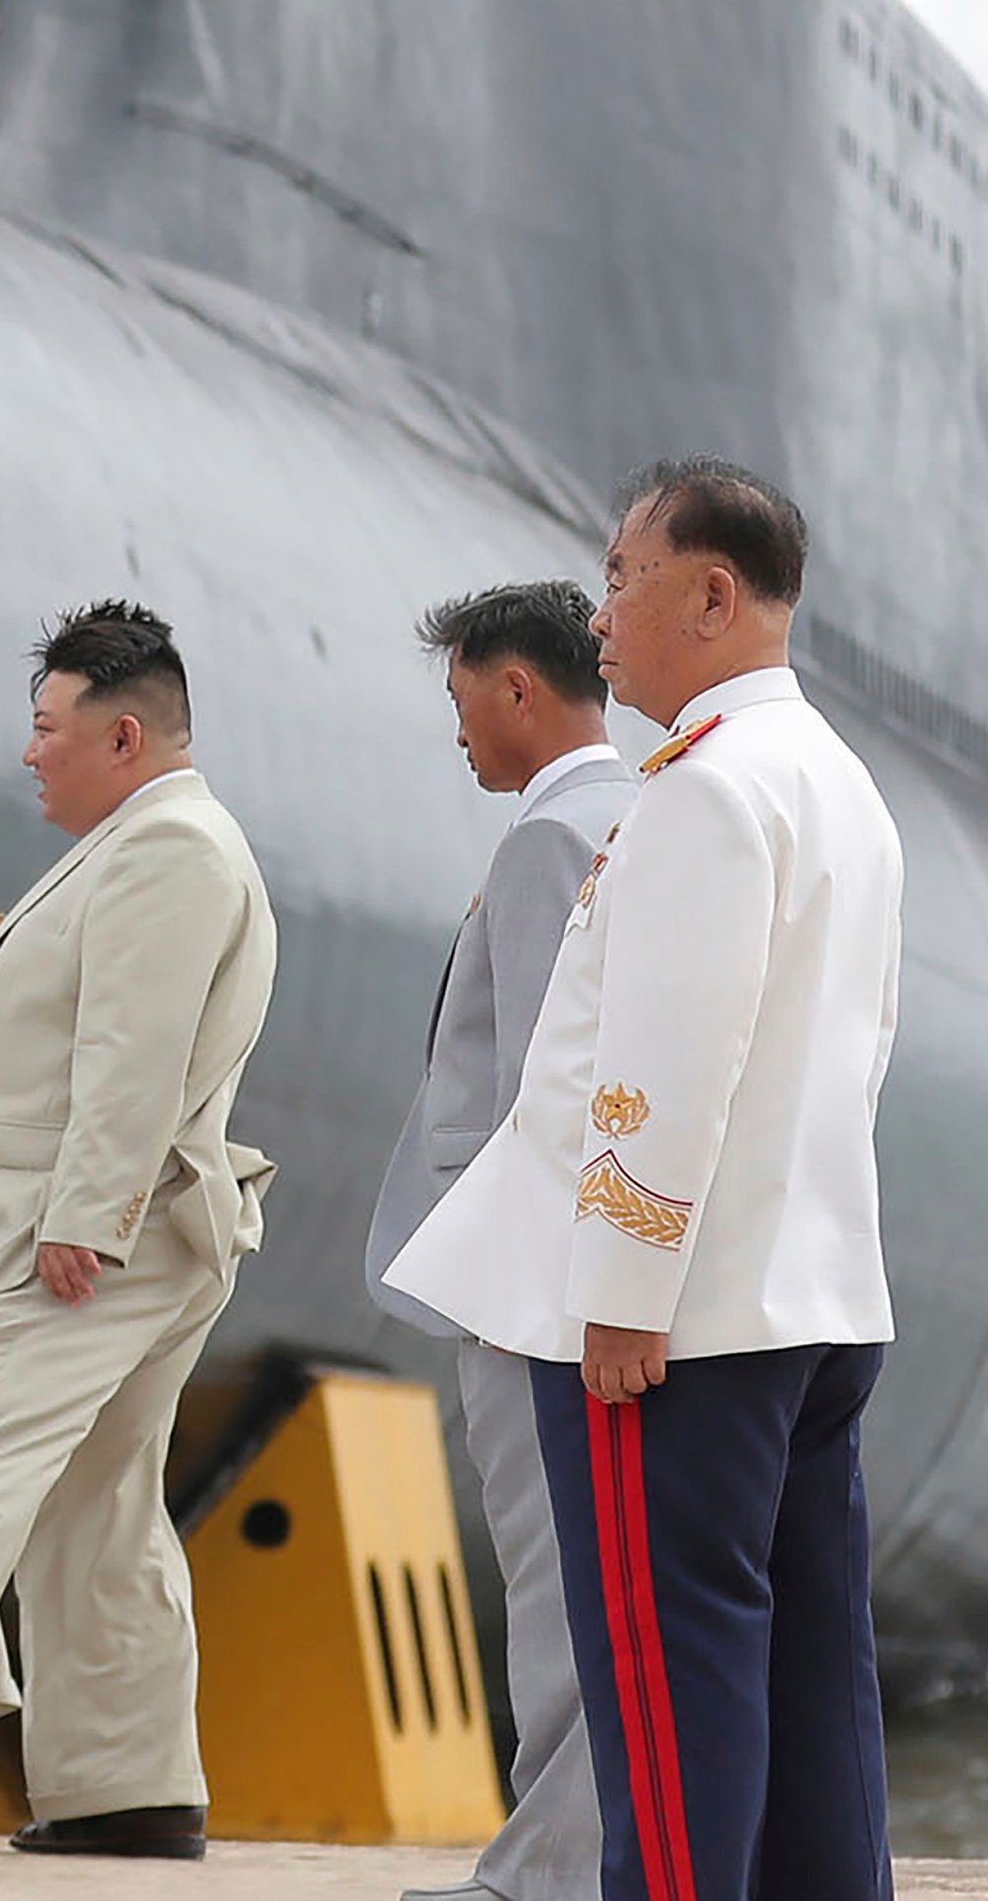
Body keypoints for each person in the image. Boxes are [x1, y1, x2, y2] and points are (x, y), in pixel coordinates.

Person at [390, 464, 902, 1901]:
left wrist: (620, 1292)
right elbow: (854, 1053)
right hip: (806, 1299)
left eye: (619, 575)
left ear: (711, 594)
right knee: (810, 1670)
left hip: (671, 1328)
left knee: (665, 1693)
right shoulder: (839, 787)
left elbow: (664, 1065)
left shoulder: (703, 790)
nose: (597, 611)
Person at [0, 600, 274, 1863]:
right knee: (99, 1513)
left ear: (123, 737)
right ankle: (128, 1794)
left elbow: (134, 1050)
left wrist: (86, 1222)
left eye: (48, 730)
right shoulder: (148, 837)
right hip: (124, 1232)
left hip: (76, 1246)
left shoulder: (170, 850)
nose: (29, 753)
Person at [366, 582, 631, 1901]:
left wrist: (519, 1292)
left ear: (512, 686)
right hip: (582, 1284)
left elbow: (543, 1100)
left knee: (551, 1588)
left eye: (461, 699)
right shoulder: (630, 811)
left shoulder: (549, 837)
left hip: (528, 1293)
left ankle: (543, 1873)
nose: (457, 731)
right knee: (594, 1591)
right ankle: (577, 1856)